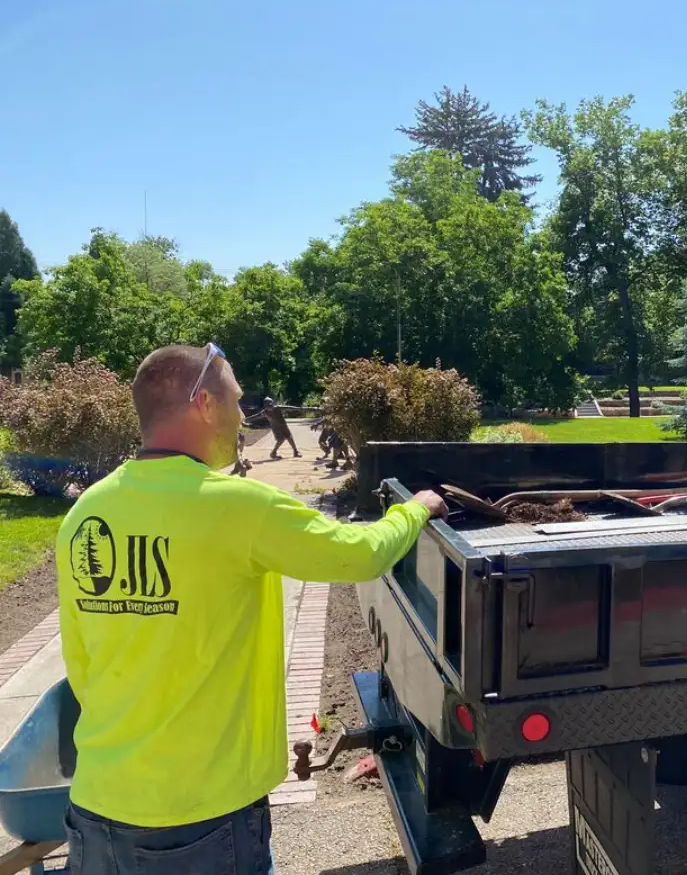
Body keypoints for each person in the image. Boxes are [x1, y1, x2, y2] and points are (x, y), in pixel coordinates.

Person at [55, 343, 448, 875]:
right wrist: (415, 510)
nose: (243, 415)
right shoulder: (235, 506)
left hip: (96, 806)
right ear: (203, 404)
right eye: (236, 400)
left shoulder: (86, 512)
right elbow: (360, 555)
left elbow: (79, 663)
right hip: (202, 815)